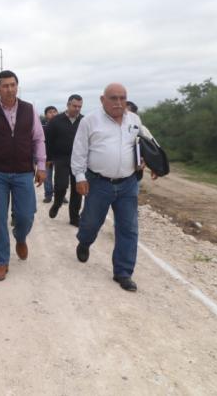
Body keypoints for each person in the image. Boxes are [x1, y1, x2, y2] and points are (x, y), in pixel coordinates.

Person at [71, 83, 157, 292]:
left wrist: (154, 162)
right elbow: (79, 151)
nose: (119, 103)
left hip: (128, 183)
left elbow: (147, 142)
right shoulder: (90, 121)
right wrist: (80, 177)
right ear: (103, 100)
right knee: (91, 223)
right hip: (98, 182)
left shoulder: (134, 120)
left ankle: (123, 272)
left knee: (128, 228)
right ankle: (84, 242)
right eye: (114, 98)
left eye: (123, 98)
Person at [0, 71, 46, 282]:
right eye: (5, 86)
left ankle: (20, 237)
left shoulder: (29, 110)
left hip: (23, 172)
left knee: (25, 215)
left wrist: (41, 165)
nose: (10, 89)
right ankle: (2, 261)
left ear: (17, 86)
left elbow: (39, 139)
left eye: (13, 85)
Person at [46, 94, 84, 227]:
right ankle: (57, 203)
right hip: (61, 158)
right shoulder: (56, 120)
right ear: (68, 105)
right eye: (74, 106)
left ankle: (74, 217)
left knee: (77, 190)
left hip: (79, 160)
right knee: (61, 185)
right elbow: (48, 140)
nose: (77, 109)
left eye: (80, 106)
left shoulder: (84, 121)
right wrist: (49, 158)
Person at [41, 105, 59, 203]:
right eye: (50, 112)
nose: (52, 114)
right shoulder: (43, 127)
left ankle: (60, 195)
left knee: (59, 177)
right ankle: (48, 195)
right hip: (46, 156)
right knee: (47, 177)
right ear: (46, 115)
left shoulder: (62, 126)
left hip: (59, 157)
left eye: (54, 111)